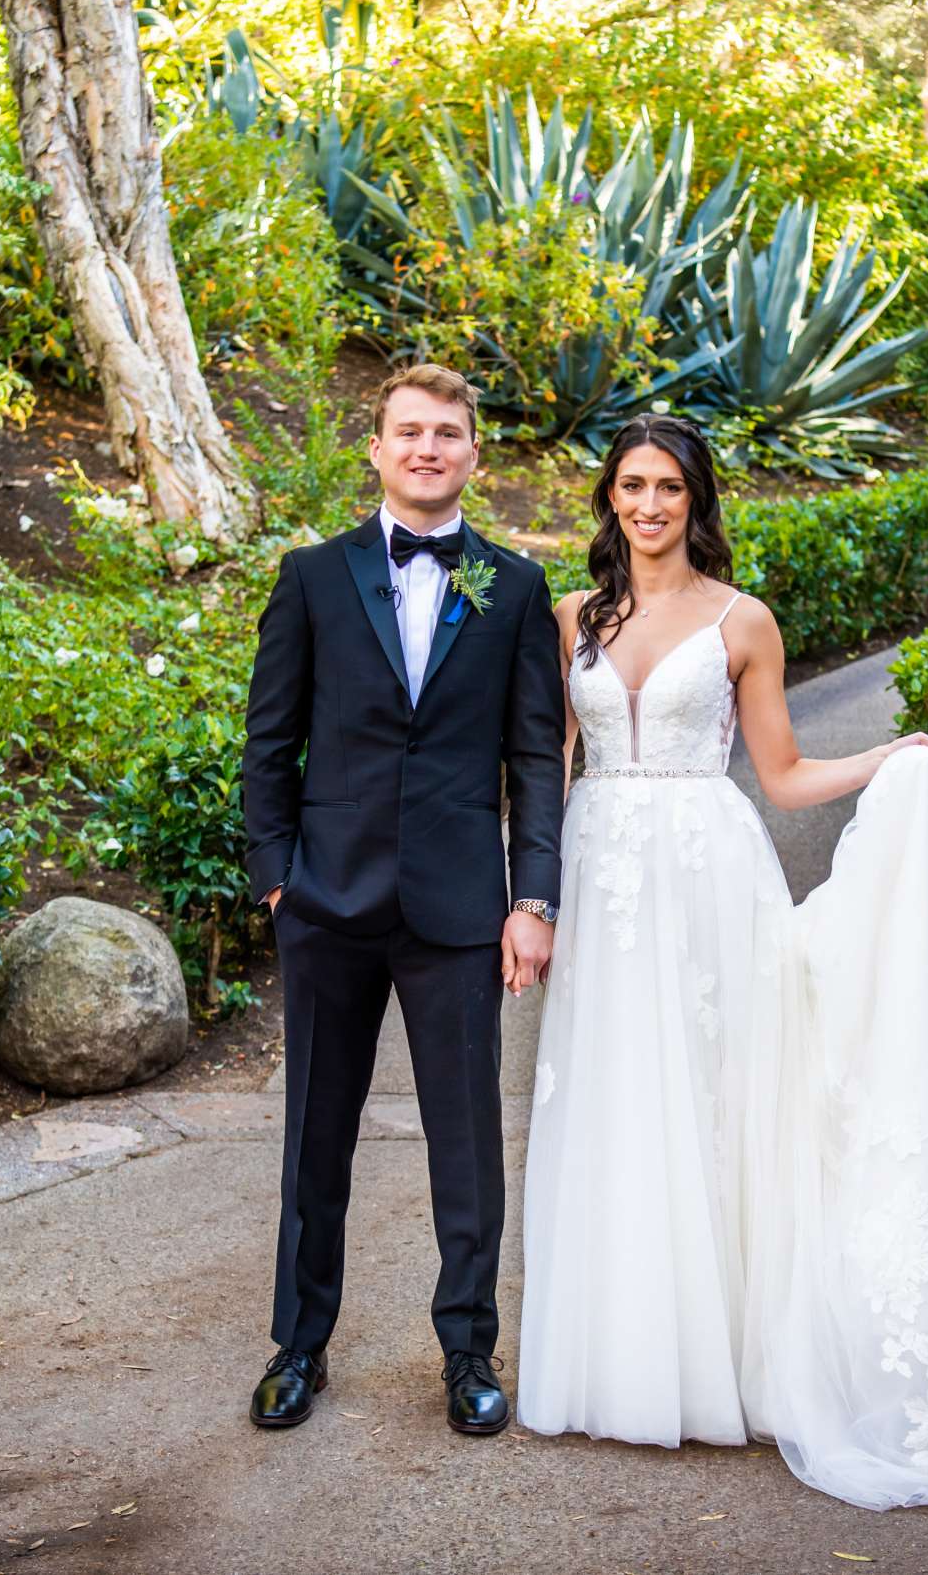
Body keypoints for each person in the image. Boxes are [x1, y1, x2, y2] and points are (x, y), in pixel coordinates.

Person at [517, 414, 928, 1509]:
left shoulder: (744, 621)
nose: (648, 507)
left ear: (698, 502)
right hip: (602, 878)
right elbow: (542, 770)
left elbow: (779, 776)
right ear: (610, 499)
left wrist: (895, 754)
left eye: (668, 489)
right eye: (631, 487)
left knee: (725, 1107)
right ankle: (626, 1363)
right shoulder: (568, 619)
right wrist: (523, 894)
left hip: (711, 877)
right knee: (614, 1108)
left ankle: (735, 1363)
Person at [239, 364, 564, 1435]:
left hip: (460, 905)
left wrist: (535, 898)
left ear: (476, 453)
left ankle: (468, 1350)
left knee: (466, 1139)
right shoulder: (312, 577)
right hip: (327, 902)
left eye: (449, 433)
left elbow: (535, 756)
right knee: (313, 1139)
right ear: (374, 448)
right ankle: (299, 1346)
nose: (429, 449)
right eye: (409, 432)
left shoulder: (514, 589)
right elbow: (268, 743)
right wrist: (277, 876)